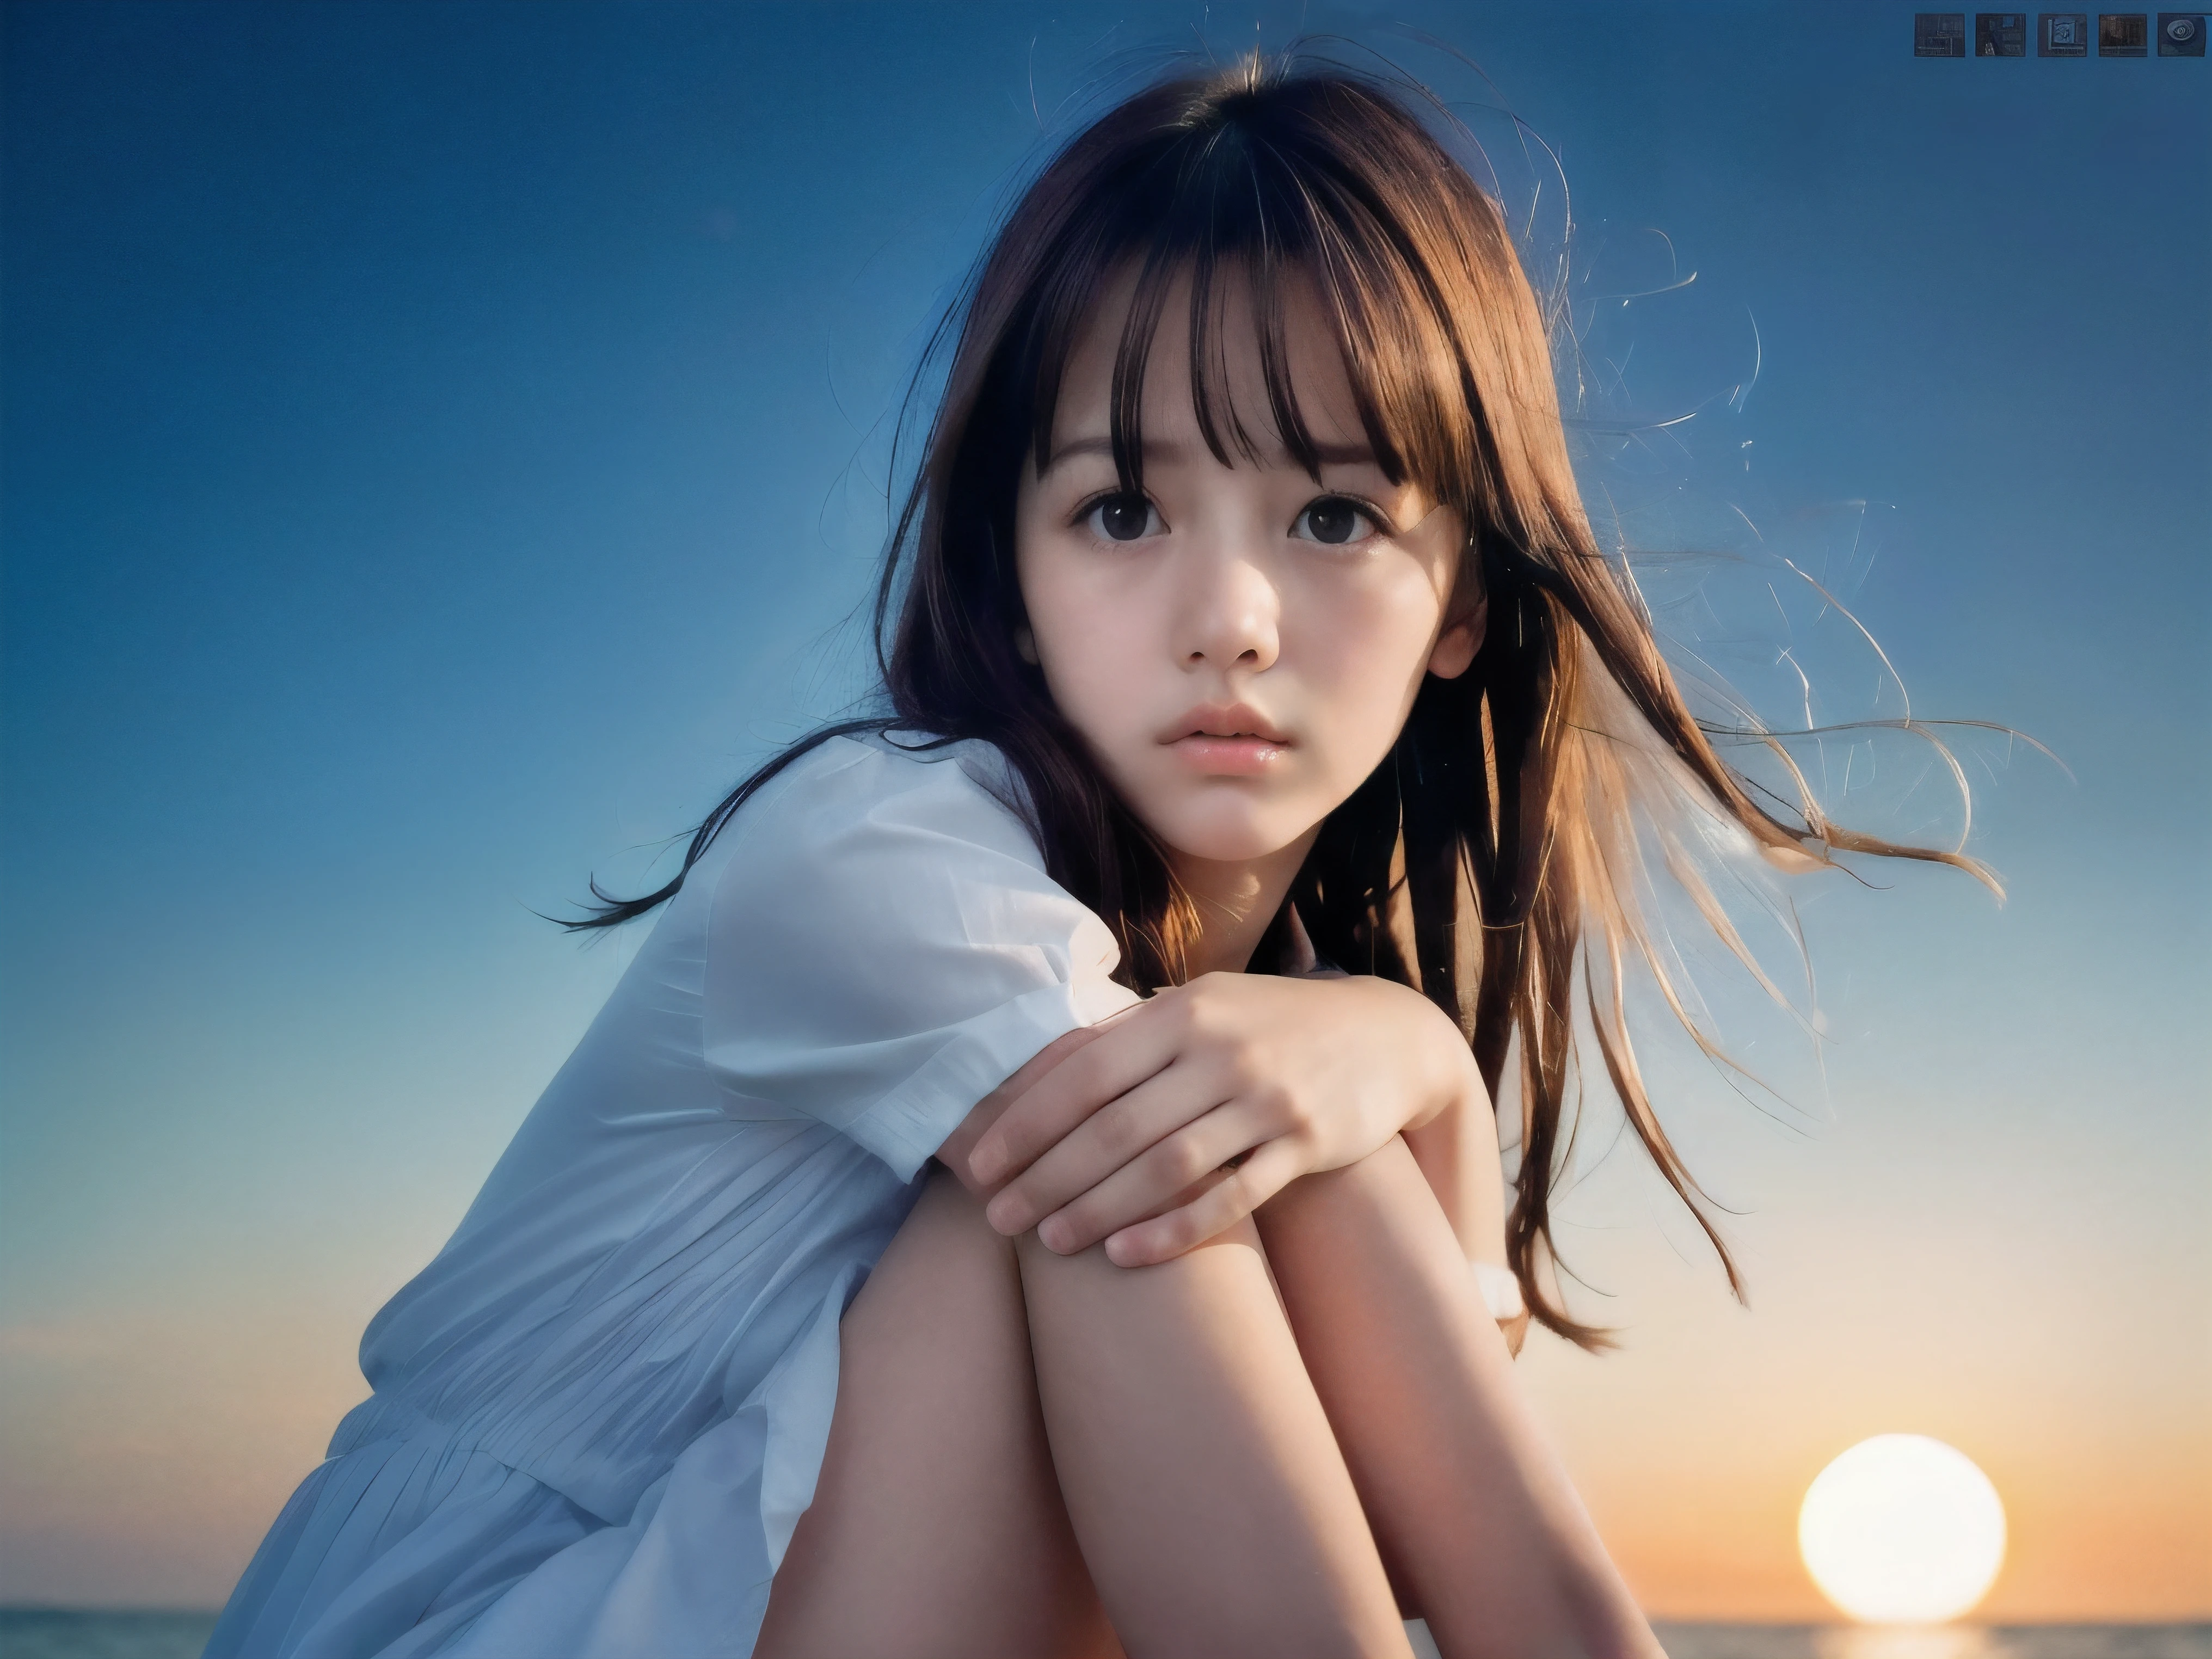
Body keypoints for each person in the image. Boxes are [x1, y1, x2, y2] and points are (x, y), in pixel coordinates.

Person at [207, 52, 1982, 1659]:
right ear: (1017, 566)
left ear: (1463, 602)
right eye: (1122, 511)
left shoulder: (1246, 1013)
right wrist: (1381, 1071)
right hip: (459, 1625)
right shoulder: (885, 855)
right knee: (1113, 1151)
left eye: (1336, 515)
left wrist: (1416, 1064)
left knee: (1210, 1106)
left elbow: (1386, 1530)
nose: (1228, 619)